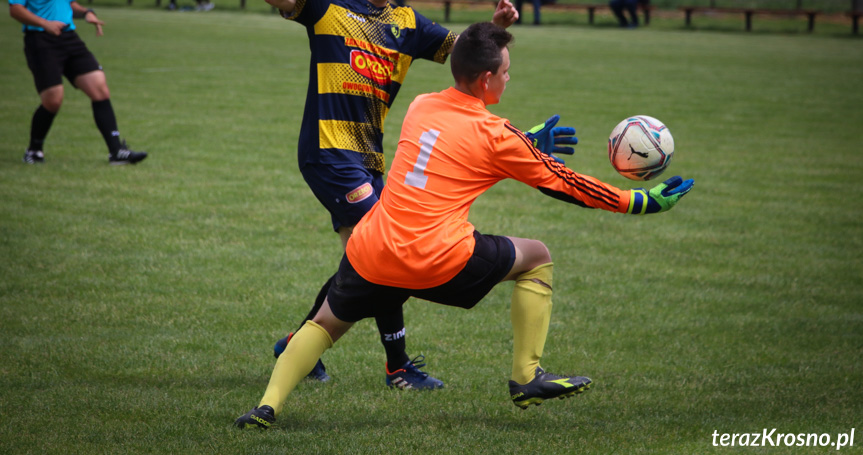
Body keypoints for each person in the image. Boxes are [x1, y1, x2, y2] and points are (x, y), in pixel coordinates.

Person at [234, 21, 695, 429]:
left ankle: (267, 408)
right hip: (438, 259)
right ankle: (526, 377)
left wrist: (527, 142)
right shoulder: (497, 136)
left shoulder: (421, 105)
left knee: (325, 323)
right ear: (486, 78)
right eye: (507, 71)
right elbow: (563, 183)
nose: (510, 77)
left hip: (374, 247)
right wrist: (637, 201)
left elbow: (454, 153)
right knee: (536, 256)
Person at [260, 0, 519, 390]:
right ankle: (397, 367)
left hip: (370, 158)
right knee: (387, 252)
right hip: (328, 150)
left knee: (365, 261)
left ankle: (298, 344)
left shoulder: (407, 23)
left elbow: (464, 53)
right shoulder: (327, 1)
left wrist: (494, 26)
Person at [8, 0, 147, 166]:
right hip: (41, 41)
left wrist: (86, 13)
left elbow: (68, 2)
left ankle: (117, 152)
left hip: (69, 38)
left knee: (100, 88)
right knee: (53, 100)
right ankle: (34, 150)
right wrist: (44, 23)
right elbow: (15, 9)